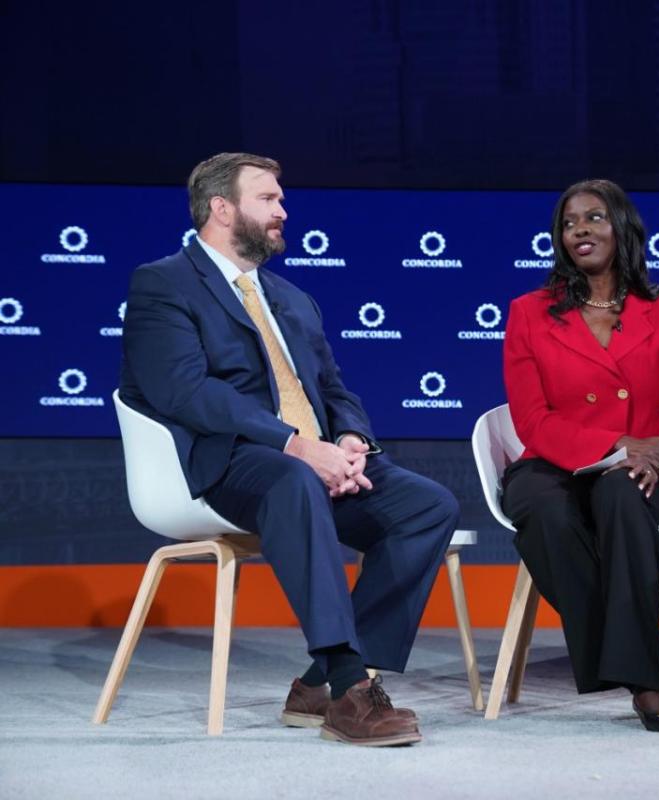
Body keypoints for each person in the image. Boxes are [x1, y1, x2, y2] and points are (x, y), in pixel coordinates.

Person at [119, 153, 459, 747]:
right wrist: (298, 447)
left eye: (281, 199)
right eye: (269, 199)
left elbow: (332, 388)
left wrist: (350, 440)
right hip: (229, 462)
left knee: (426, 506)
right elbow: (184, 391)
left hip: (311, 458)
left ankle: (320, 679)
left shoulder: (292, 298)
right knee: (292, 479)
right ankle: (351, 690)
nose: (284, 210)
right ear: (222, 209)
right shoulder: (163, 282)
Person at [500, 179, 659, 732]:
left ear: (623, 228)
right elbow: (531, 419)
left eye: (595, 217)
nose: (580, 229)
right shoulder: (529, 312)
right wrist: (617, 443)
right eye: (569, 222)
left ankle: (642, 675)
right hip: (554, 462)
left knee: (621, 493)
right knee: (545, 512)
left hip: (640, 471)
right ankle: (647, 678)